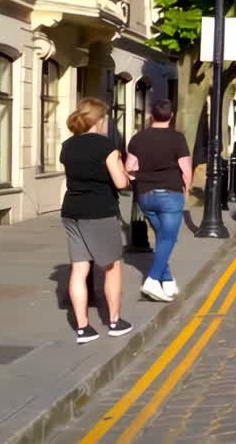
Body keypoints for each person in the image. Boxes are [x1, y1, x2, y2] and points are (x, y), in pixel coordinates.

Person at [60, 97, 133, 343]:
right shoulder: (106, 146)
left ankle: (83, 328)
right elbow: (120, 183)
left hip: (71, 210)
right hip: (99, 211)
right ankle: (115, 321)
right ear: (99, 119)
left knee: (79, 268)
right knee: (112, 266)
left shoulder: (67, 146)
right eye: (106, 118)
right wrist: (126, 173)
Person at [125, 99, 191, 302]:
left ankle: (168, 280)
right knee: (168, 238)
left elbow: (129, 168)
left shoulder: (138, 138)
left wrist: (138, 179)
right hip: (170, 194)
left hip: (146, 196)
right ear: (171, 116)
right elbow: (186, 169)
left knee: (163, 237)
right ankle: (153, 280)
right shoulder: (177, 138)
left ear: (151, 115)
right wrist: (187, 191)